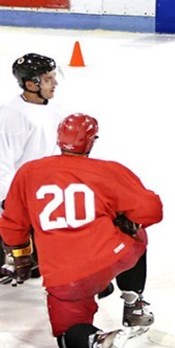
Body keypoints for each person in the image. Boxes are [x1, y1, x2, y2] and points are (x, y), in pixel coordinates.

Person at [0, 114, 163, 348]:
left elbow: (12, 224)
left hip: (63, 278)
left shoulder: (29, 172)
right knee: (136, 234)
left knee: (67, 334)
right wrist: (124, 218)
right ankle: (134, 303)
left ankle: (96, 340)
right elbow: (151, 211)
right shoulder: (108, 171)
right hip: (109, 256)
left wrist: (20, 257)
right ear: (91, 141)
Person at [0, 53, 63, 284]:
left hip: (40, 195)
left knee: (39, 265)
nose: (54, 83)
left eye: (54, 77)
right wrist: (10, 204)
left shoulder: (54, 111)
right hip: (18, 197)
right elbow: (2, 164)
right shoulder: (11, 116)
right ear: (30, 84)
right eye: (48, 79)